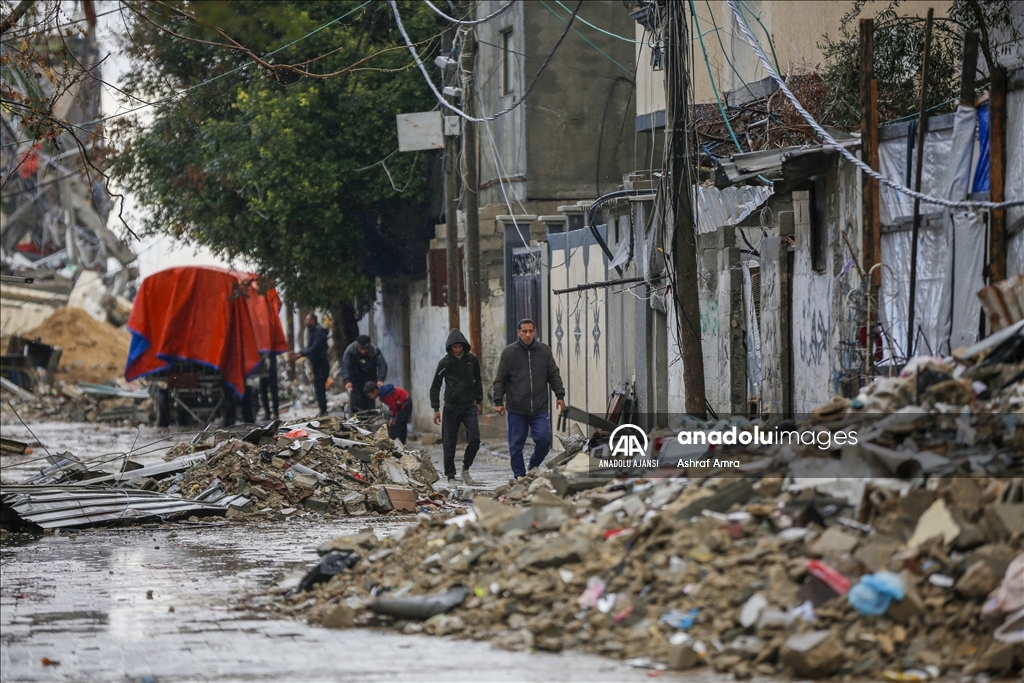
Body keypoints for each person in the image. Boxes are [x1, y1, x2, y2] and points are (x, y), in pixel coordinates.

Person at [492, 318, 565, 479]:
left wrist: (559, 395)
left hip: (539, 407)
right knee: (516, 445)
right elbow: (500, 379)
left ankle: (533, 466)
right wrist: (498, 401)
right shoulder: (509, 353)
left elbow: (553, 374)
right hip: (517, 408)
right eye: (524, 331)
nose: (527, 334)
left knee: (544, 439)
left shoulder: (544, 351)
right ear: (518, 332)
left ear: (535, 332)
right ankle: (519, 475)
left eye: (530, 331)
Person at [430, 329, 483, 486]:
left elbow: (477, 380)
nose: (458, 350)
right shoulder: (444, 363)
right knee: (449, 443)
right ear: (450, 347)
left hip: (468, 406)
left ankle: (465, 468)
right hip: (451, 407)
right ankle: (450, 476)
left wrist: (479, 401)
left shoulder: (471, 360)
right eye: (455, 347)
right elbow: (435, 387)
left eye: (460, 346)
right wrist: (436, 409)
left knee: (475, 438)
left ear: (464, 346)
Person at [290, 314, 329, 417]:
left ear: (313, 320)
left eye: (307, 319)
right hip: (316, 364)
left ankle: (324, 410)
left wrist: (301, 353)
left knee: (320, 387)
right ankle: (323, 409)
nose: (305, 321)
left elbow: (315, 348)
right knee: (318, 387)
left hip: (321, 364)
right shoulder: (312, 331)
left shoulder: (318, 332)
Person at [341, 334, 388, 413]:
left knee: (370, 401)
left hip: (369, 380)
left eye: (365, 349)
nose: (363, 351)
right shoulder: (350, 351)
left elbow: (382, 365)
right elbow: (345, 367)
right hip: (355, 381)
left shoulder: (375, 351)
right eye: (361, 349)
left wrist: (380, 379)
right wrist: (347, 380)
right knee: (356, 402)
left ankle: (370, 420)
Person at [258, 352, 280, 421]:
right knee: (263, 390)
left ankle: (275, 413)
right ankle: (267, 413)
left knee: (273, 389)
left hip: (271, 364)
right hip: (262, 365)